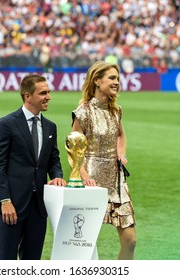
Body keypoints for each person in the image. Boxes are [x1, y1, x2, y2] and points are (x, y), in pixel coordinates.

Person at [0, 73, 66, 260]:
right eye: (43, 93)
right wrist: (5, 201)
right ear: (27, 96)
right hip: (12, 205)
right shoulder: (6, 124)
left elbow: (53, 159)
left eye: (48, 92)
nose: (48, 97)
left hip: (38, 207)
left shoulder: (50, 127)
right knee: (6, 260)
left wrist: (57, 175)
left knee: (32, 260)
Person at [71, 61, 136, 260]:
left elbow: (120, 135)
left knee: (130, 241)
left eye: (117, 78)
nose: (117, 82)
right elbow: (74, 148)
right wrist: (83, 176)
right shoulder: (83, 112)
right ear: (97, 81)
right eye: (112, 78)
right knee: (84, 240)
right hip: (92, 178)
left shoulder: (117, 110)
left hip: (117, 181)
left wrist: (121, 153)